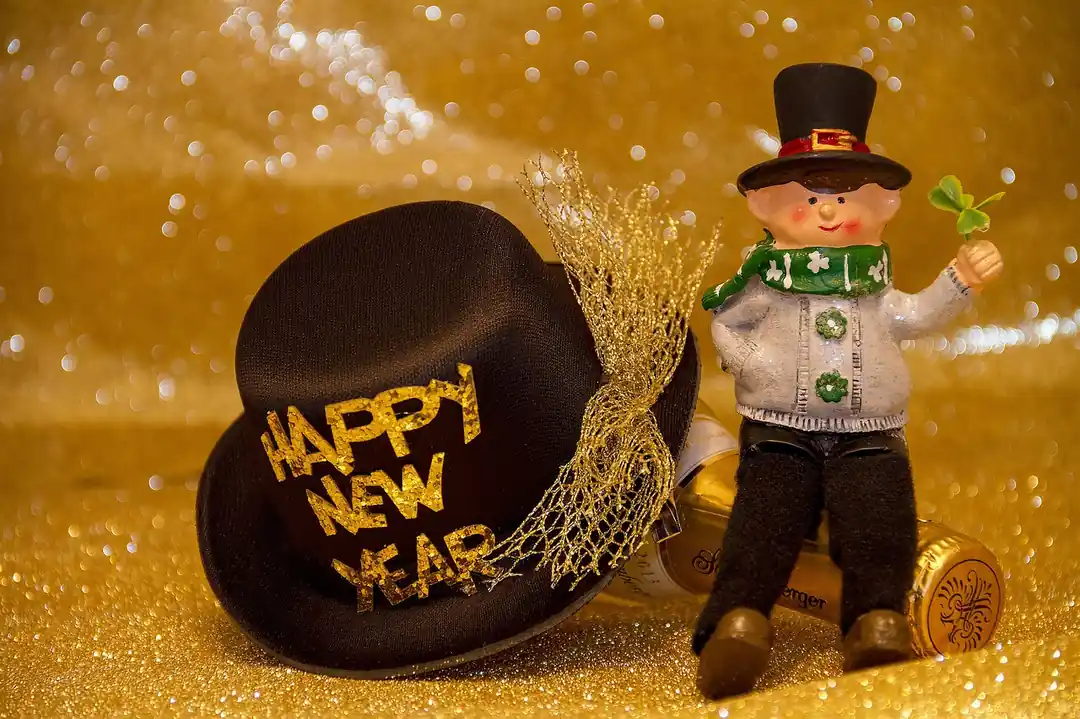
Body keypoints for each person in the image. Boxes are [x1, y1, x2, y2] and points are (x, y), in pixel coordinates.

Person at [692, 63, 1003, 700]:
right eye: (810, 199)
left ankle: (875, 620)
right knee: (764, 519)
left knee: (880, 521)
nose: (828, 210)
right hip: (779, 429)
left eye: (843, 197)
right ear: (765, 206)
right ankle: (738, 621)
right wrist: (754, 366)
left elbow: (914, 315)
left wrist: (961, 281)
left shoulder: (875, 288)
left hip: (870, 432)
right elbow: (725, 324)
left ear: (884, 206)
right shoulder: (764, 280)